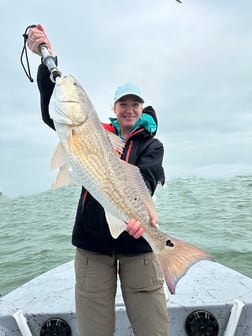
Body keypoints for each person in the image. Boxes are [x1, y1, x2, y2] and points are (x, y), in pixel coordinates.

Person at [28, 24, 168, 336]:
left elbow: (146, 177)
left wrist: (141, 215)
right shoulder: (94, 132)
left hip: (138, 242)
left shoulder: (151, 145)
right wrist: (44, 59)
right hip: (93, 244)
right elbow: (52, 109)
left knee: (153, 328)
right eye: (123, 104)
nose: (129, 110)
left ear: (142, 108)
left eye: (135, 104)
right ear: (114, 109)